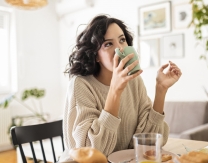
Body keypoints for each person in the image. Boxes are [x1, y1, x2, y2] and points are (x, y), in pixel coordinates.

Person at [63, 14, 182, 156]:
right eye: (108, 44)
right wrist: (115, 90)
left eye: (122, 40)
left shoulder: (134, 81)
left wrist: (161, 90)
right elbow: (91, 153)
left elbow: (148, 143)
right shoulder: (81, 85)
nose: (119, 49)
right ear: (96, 55)